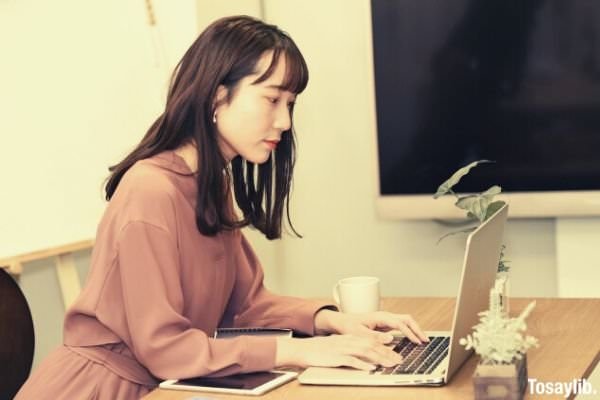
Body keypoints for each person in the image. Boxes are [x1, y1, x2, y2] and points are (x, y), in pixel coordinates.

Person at [16, 15, 428, 399]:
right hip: (101, 389)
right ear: (217, 96)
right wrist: (297, 353)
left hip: (164, 386)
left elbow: (244, 305)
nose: (284, 122)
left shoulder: (211, 183)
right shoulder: (150, 190)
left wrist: (330, 321)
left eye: (291, 104)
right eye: (272, 100)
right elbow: (164, 348)